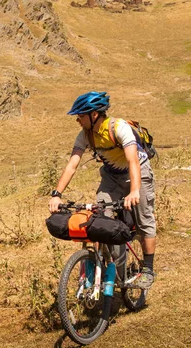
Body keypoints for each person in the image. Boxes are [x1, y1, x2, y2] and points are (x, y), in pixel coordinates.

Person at [48, 91, 156, 289]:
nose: (78, 120)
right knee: (99, 217)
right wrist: (56, 194)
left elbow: (133, 160)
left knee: (144, 219)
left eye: (80, 116)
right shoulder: (86, 135)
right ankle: (102, 263)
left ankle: (147, 269)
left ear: (94, 115)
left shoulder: (119, 128)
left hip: (138, 172)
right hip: (112, 177)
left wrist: (134, 191)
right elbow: (72, 164)